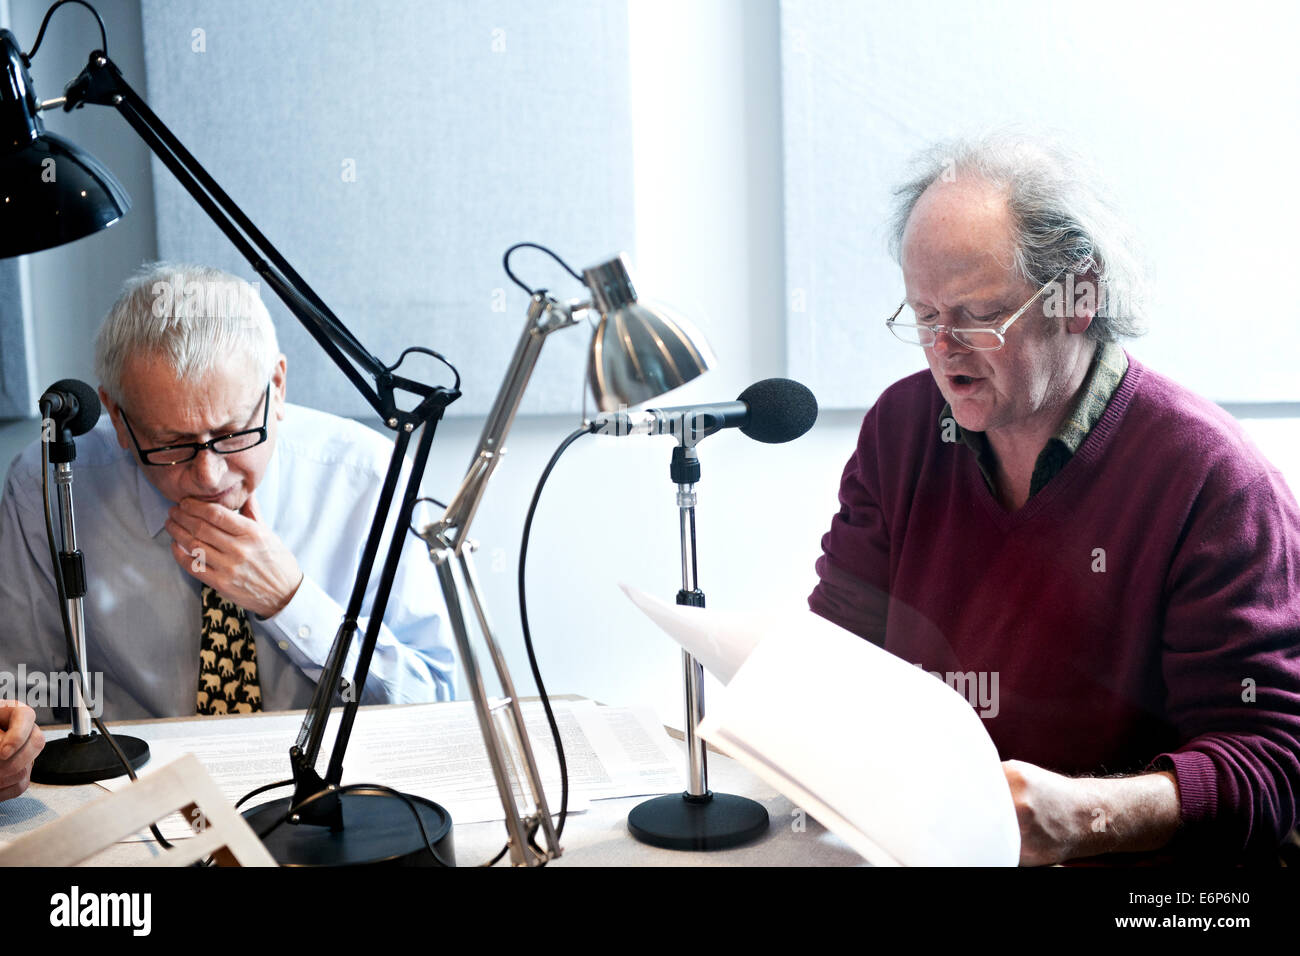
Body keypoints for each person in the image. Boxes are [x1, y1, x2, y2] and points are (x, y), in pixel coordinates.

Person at [809, 133, 1300, 865]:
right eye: (922, 314)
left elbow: (1270, 764)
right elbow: (839, 651)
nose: (942, 348)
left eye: (977, 314)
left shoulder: (1213, 482)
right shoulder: (902, 430)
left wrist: (1086, 817)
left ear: (1078, 298)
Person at [0, 263, 455, 739]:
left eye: (234, 434)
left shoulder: (369, 478)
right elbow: (23, 693)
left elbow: (434, 700)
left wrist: (290, 602)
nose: (208, 475)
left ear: (276, 387)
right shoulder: (50, 485)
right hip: (134, 788)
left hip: (328, 794)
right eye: (170, 443)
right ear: (116, 415)